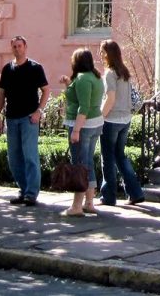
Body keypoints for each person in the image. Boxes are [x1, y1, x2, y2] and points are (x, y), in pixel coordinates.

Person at [0, 35, 49, 206]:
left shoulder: (35, 68)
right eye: (14, 46)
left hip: (29, 118)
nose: (17, 49)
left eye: (20, 46)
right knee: (14, 157)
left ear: (25, 47)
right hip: (11, 118)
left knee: (30, 156)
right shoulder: (8, 69)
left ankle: (32, 193)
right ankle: (23, 190)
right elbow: (2, 94)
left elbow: (46, 90)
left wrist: (39, 111)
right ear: (12, 48)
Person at [98, 39, 145, 206]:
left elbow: (110, 98)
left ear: (109, 54)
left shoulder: (110, 73)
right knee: (120, 156)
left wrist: (99, 117)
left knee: (108, 158)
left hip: (111, 120)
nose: (101, 55)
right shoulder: (124, 72)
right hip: (125, 119)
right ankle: (135, 192)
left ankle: (108, 196)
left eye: (102, 52)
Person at [59, 47, 104, 217]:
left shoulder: (83, 79)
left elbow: (83, 106)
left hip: (83, 125)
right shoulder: (95, 76)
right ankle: (89, 202)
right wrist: (68, 84)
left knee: (79, 165)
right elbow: (83, 97)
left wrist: (76, 130)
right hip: (95, 124)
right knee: (88, 163)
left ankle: (77, 206)